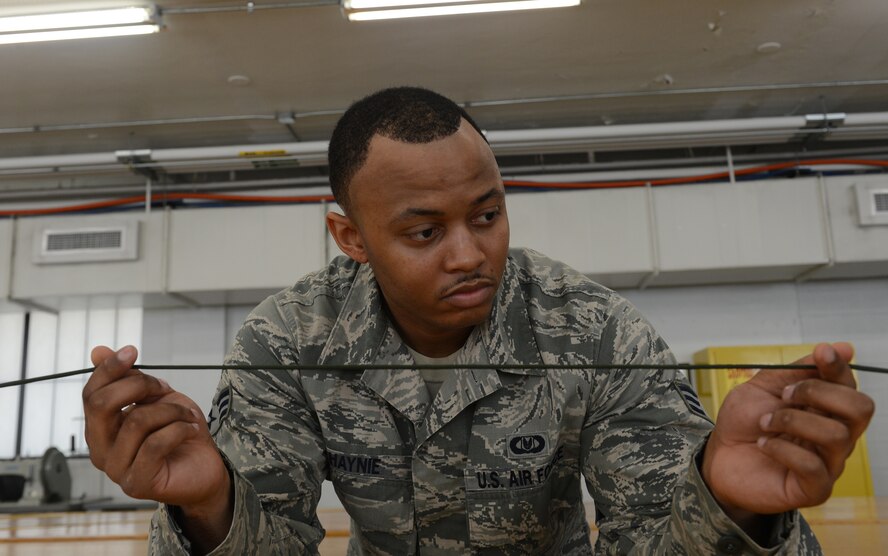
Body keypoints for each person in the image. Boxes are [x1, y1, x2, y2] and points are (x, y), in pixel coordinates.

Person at [83, 87, 874, 555]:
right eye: (425, 232)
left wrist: (729, 505)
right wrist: (210, 508)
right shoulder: (290, 342)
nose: (471, 254)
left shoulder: (596, 333)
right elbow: (277, 543)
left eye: (488, 214)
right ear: (351, 238)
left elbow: (652, 539)